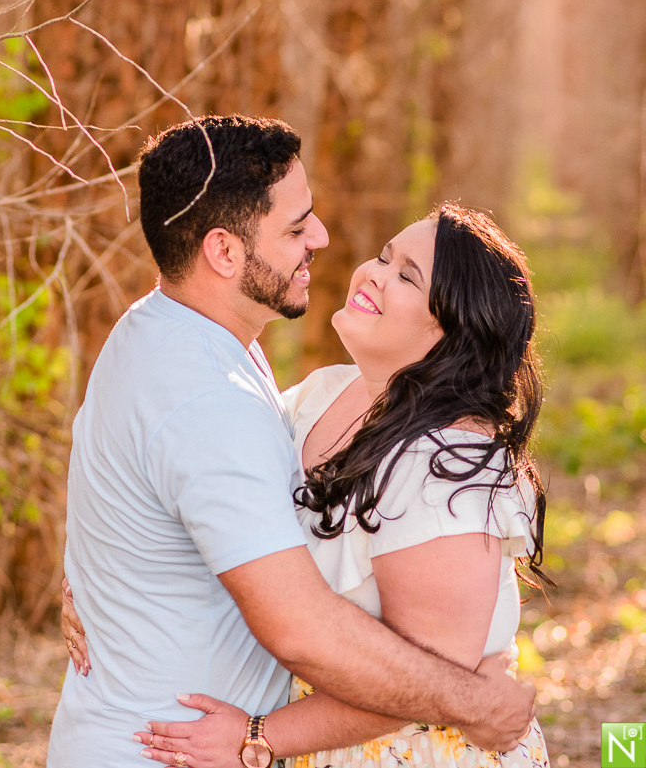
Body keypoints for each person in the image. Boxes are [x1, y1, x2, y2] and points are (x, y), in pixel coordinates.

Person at [45, 114, 535, 768]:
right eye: (297, 226)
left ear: (454, 329)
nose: (328, 242)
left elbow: (439, 644)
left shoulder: (193, 342)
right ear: (224, 252)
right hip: (163, 746)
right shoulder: (267, 396)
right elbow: (300, 624)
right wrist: (478, 698)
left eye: (405, 273)